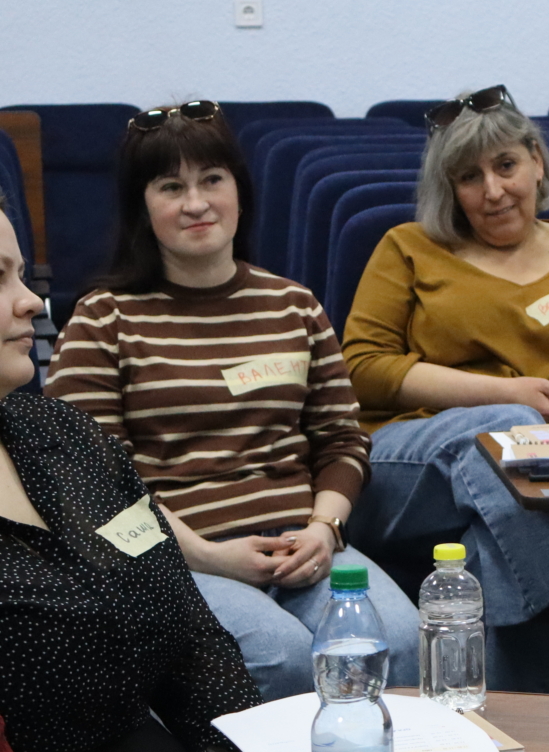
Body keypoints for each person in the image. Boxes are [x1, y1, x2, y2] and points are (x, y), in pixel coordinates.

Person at [0, 197, 289, 752]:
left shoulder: (65, 437)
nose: (32, 301)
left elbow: (191, 632)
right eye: (1, 280)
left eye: (23, 273)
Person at [45, 102, 416, 701]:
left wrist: (324, 529)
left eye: (212, 180)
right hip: (177, 555)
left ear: (239, 192)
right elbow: (93, 482)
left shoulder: (293, 306)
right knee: (280, 655)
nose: (196, 204)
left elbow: (342, 441)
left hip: (303, 544)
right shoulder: (103, 319)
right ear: (143, 207)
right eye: (171, 187)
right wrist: (209, 556)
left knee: (395, 639)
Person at [342, 87, 549, 690]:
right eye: (469, 177)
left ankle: (512, 722)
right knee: (511, 431)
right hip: (410, 467)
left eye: (506, 166)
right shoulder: (408, 248)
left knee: (495, 540)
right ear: (450, 189)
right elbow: (363, 367)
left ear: (536, 162)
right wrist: (507, 399)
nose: (494, 190)